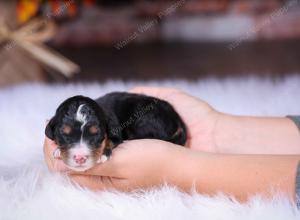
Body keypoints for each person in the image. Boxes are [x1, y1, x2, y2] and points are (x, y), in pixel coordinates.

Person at [43, 87, 300, 205]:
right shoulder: (94, 118)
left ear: (105, 129)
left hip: (158, 120)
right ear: (53, 130)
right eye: (66, 137)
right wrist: (216, 128)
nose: (79, 153)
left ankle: (168, 140)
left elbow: (115, 135)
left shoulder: (110, 122)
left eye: (94, 136)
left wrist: (172, 166)